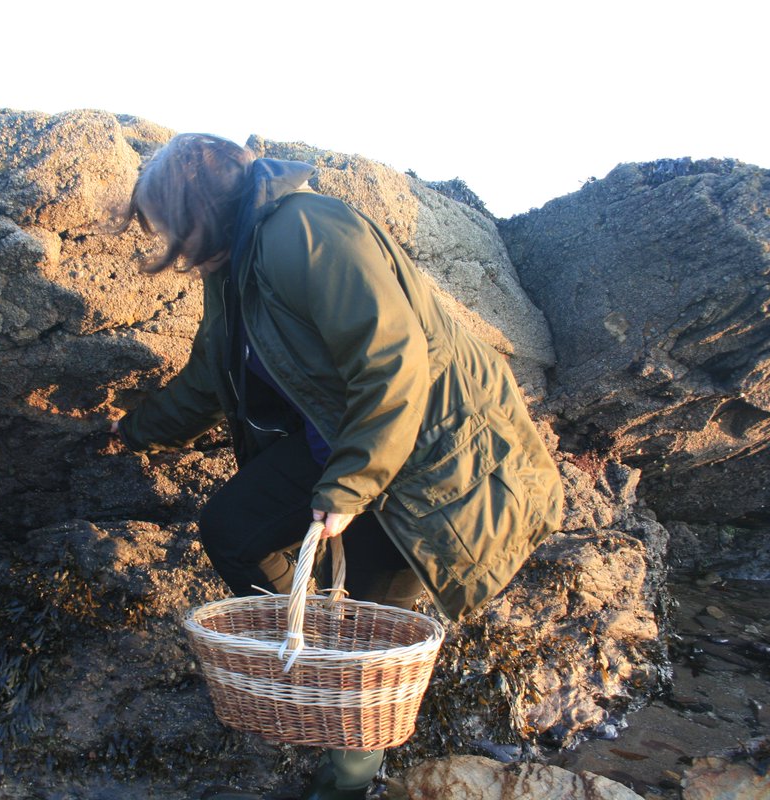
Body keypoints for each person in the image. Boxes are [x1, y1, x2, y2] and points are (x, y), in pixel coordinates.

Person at [109, 134, 564, 800]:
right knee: (232, 529)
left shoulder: (304, 231)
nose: (166, 246)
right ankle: (310, 657)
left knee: (367, 646)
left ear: (195, 211)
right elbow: (211, 374)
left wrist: (351, 487)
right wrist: (132, 432)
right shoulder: (231, 263)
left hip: (420, 454)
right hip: (340, 442)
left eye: (164, 226)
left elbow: (394, 361)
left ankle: (346, 780)